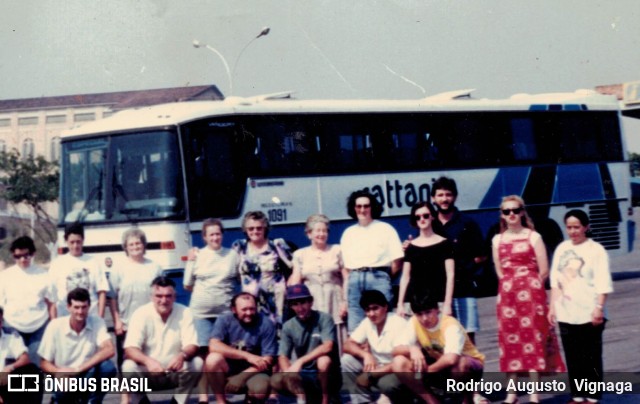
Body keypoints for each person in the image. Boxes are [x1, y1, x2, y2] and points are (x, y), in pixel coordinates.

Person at [492, 195, 565, 404]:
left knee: (533, 342)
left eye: (515, 210)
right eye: (507, 211)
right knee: (510, 344)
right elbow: (499, 271)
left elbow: (543, 271)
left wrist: (527, 285)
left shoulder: (534, 237)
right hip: (508, 299)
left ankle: (534, 395)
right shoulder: (497, 240)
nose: (511, 215)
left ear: (522, 212)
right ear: (502, 215)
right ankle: (512, 394)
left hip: (531, 297)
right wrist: (511, 288)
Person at [548, 209, 613, 404]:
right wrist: (552, 307)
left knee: (591, 356)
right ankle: (577, 396)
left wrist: (599, 308)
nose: (573, 231)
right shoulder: (561, 248)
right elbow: (555, 281)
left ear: (586, 227)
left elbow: (603, 282)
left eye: (577, 227)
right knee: (573, 356)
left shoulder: (596, 250)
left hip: (590, 312)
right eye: (569, 227)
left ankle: (592, 398)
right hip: (566, 313)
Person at [184, 218, 241, 403]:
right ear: (204, 237)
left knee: (220, 355)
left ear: (222, 235)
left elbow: (240, 280)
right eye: (211, 235)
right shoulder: (196, 255)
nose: (215, 237)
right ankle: (203, 397)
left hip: (225, 313)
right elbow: (187, 284)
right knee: (202, 356)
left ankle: (221, 395)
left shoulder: (233, 255)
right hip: (201, 313)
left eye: (218, 234)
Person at [392, 294, 485, 404]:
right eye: (419, 314)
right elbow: (395, 350)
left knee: (460, 363)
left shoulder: (450, 324)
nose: (424, 318)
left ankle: (466, 399)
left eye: (428, 312)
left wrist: (428, 371)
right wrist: (412, 349)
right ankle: (433, 401)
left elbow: (451, 359)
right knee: (399, 362)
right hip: (439, 366)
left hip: (470, 368)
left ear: (437, 309)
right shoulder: (414, 322)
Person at [122, 276, 202, 404]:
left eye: (168, 296)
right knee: (128, 367)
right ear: (151, 297)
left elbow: (192, 344)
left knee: (197, 363)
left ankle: (178, 402)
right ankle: (141, 401)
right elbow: (130, 348)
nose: (163, 300)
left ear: (175, 296)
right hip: (148, 372)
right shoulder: (140, 313)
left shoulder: (185, 312)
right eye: (159, 296)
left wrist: (182, 355)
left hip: (174, 370)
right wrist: (148, 361)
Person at [429, 177, 486, 344]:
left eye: (448, 195)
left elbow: (481, 255)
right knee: (441, 340)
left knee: (468, 338)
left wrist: (465, 270)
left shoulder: (467, 223)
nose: (444, 199)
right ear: (433, 198)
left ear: (455, 197)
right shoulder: (430, 224)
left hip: (463, 289)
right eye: (440, 195)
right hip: (437, 291)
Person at [38, 288, 117, 404]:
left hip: (86, 372)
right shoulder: (55, 326)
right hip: (63, 375)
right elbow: (44, 363)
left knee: (108, 368)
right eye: (76, 307)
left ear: (89, 307)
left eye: (84, 307)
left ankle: (92, 401)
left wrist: (78, 369)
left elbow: (109, 349)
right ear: (68, 307)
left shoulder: (96, 321)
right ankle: (58, 399)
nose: (80, 312)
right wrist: (59, 372)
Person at [340, 190, 404, 333]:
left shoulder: (385, 229)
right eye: (358, 206)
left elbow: (398, 260)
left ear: (372, 207)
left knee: (385, 327)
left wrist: (384, 277)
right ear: (354, 208)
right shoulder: (348, 233)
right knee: (356, 329)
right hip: (355, 281)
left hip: (378, 278)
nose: (362, 210)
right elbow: (346, 268)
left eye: (366, 206)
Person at [271, 284, 341, 404]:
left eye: (303, 302)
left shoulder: (324, 318)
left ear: (311, 302)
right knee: (276, 380)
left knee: (324, 361)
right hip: (305, 373)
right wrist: (289, 373)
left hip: (327, 374)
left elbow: (328, 346)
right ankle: (302, 396)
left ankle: (326, 399)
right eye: (295, 304)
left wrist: (300, 361)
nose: (300, 308)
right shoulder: (288, 326)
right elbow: (283, 355)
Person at [205, 292, 278, 404]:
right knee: (212, 359)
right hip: (229, 369)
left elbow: (269, 359)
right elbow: (213, 345)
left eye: (252, 309)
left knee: (260, 389)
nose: (248, 313)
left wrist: (242, 377)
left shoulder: (266, 323)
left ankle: (250, 398)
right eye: (244, 309)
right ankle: (221, 401)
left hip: (255, 371)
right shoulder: (224, 320)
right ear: (234, 309)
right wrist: (247, 356)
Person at [288, 214, 347, 350]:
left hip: (335, 300)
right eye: (318, 230)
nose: (321, 234)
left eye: (324, 230)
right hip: (313, 301)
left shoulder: (337, 250)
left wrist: (345, 302)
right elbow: (296, 280)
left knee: (338, 338)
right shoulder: (299, 254)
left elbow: (346, 277)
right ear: (309, 234)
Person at [108, 227, 163, 370]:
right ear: (125, 247)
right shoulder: (118, 269)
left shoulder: (155, 267)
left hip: (151, 321)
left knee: (149, 358)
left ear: (144, 245)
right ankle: (128, 392)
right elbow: (112, 297)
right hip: (127, 323)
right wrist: (117, 321)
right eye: (131, 244)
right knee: (127, 361)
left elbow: (162, 295)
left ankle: (144, 391)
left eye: (138, 243)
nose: (135, 247)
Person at [341, 290, 408, 404]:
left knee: (386, 384)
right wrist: (365, 354)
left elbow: (404, 361)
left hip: (396, 369)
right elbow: (347, 345)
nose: (371, 314)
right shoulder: (368, 322)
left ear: (385, 307)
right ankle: (362, 401)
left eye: (375, 308)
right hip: (377, 365)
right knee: (347, 361)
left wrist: (371, 374)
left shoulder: (398, 323)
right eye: (367, 310)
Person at [0, 236, 56, 364]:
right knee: (13, 368)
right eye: (18, 256)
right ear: (13, 256)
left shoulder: (44, 275)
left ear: (33, 253)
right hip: (12, 328)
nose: (22, 259)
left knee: (36, 366)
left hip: (38, 328)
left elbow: (51, 304)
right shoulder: (5, 277)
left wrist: (53, 328)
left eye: (26, 255)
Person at [232, 211, 294, 326]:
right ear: (245, 229)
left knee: (277, 331)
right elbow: (227, 264)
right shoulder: (239, 246)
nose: (255, 231)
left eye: (259, 228)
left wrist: (292, 279)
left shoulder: (276, 245)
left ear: (265, 228)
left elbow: (297, 263)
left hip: (276, 300)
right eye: (251, 228)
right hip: (250, 302)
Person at [397, 201, 454, 318]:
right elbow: (405, 277)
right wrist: (400, 304)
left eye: (425, 215)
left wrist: (448, 303)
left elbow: (450, 275)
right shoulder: (411, 247)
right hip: (414, 303)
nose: (422, 219)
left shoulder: (445, 243)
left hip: (438, 302)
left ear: (432, 216)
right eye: (418, 217)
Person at [49, 223, 110, 317]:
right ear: (66, 241)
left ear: (83, 240)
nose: (75, 246)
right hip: (65, 318)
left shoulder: (93, 262)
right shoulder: (57, 264)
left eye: (78, 242)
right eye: (72, 242)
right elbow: (51, 296)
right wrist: (54, 322)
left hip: (90, 318)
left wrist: (100, 317)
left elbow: (102, 291)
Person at [0, 306, 43, 404]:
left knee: (33, 372)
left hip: (3, 380)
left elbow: (25, 358)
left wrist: (10, 367)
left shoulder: (10, 335)